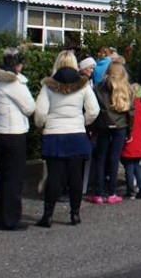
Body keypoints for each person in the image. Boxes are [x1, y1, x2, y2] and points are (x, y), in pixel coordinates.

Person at [34, 51, 99, 227]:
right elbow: (93, 110)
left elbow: (40, 112)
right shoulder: (83, 85)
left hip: (54, 133)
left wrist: (42, 125)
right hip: (76, 133)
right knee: (75, 176)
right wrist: (82, 122)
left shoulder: (48, 86)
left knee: (54, 176)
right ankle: (75, 213)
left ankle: (48, 215)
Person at [0, 47, 36, 231]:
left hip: (0, 131)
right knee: (14, 178)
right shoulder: (14, 83)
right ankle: (11, 218)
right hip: (14, 132)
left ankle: (0, 216)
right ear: (17, 64)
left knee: (3, 175)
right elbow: (30, 107)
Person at [88, 61, 134, 204]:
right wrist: (130, 130)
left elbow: (93, 109)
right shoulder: (127, 89)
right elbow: (131, 113)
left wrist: (92, 128)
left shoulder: (99, 87)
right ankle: (112, 193)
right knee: (114, 159)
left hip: (103, 125)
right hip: (120, 126)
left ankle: (98, 193)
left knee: (101, 158)